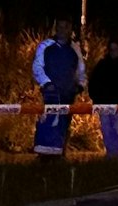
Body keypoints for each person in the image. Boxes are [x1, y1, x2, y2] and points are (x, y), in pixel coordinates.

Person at [31, 19, 87, 158]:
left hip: (68, 94)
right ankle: (43, 158)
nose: (63, 30)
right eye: (60, 27)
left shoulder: (75, 48)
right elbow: (37, 67)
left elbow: (81, 69)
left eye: (66, 27)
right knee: (48, 124)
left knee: (64, 124)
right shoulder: (45, 46)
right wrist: (46, 83)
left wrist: (80, 85)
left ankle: (60, 155)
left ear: (70, 29)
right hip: (51, 94)